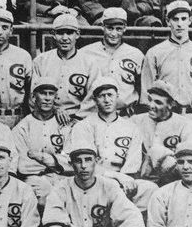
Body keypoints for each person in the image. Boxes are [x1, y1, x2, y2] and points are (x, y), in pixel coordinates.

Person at [31, 146, 145, 227]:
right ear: (72, 164)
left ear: (96, 161)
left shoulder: (109, 186)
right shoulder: (61, 187)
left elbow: (130, 216)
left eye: (88, 160)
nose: (83, 166)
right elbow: (53, 221)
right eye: (78, 161)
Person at [66, 76, 158, 214]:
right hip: (93, 180)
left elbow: (132, 165)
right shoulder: (83, 126)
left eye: (110, 95)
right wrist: (114, 178)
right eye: (102, 96)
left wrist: (122, 179)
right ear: (95, 100)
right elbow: (84, 164)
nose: (107, 100)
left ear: (117, 96)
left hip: (123, 180)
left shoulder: (131, 127)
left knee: (151, 189)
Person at [141, 0, 192, 153]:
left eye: (184, 19)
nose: (179, 24)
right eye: (175, 19)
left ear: (190, 20)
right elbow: (147, 100)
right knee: (165, 169)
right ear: (168, 21)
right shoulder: (155, 53)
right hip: (166, 118)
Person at [12, 77, 72, 206]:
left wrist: (43, 159)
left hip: (63, 176)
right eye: (43, 93)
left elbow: (70, 159)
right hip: (35, 178)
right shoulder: (22, 127)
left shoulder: (64, 124)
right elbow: (23, 165)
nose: (47, 98)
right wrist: (55, 163)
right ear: (34, 97)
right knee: (45, 195)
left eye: (51, 94)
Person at [32, 14, 100, 124]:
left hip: (80, 121)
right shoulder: (41, 61)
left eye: (69, 33)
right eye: (60, 33)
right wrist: (53, 111)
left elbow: (93, 97)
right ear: (53, 34)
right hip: (46, 118)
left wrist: (77, 119)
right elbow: (33, 96)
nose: (64, 38)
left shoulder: (89, 62)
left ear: (77, 34)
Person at [132, 80, 192, 184]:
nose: (151, 105)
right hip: (141, 180)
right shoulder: (135, 121)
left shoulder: (185, 125)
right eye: (150, 100)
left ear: (171, 104)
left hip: (172, 181)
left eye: (158, 102)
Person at [80, 7, 144, 115]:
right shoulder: (86, 53)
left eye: (118, 28)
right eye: (110, 28)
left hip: (125, 115)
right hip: (93, 114)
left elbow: (142, 88)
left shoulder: (136, 54)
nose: (114, 34)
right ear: (102, 27)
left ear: (125, 28)